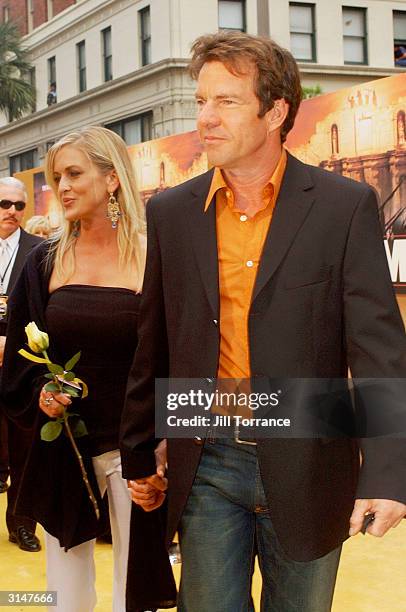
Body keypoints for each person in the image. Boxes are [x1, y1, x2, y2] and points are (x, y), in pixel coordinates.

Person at [120, 32, 406, 612]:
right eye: (201, 101)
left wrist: (388, 473)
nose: (205, 118)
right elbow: (156, 341)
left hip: (311, 460)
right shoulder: (172, 213)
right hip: (207, 457)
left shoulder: (342, 205)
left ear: (275, 111)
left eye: (225, 102)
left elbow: (378, 348)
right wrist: (141, 447)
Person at [1, 127, 175, 612]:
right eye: (58, 177)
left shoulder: (155, 256)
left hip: (137, 446)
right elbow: (20, 353)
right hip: (67, 445)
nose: (64, 187)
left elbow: (178, 354)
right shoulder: (44, 262)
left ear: (112, 178)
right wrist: (42, 392)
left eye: (75, 173)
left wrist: (165, 444)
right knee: (67, 586)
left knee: (134, 584)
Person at [0, 177, 42, 552]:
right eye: (4, 204)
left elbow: (45, 312)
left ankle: (22, 523)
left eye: (19, 206)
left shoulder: (40, 250)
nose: (12, 212)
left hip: (22, 364)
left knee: (25, 447)